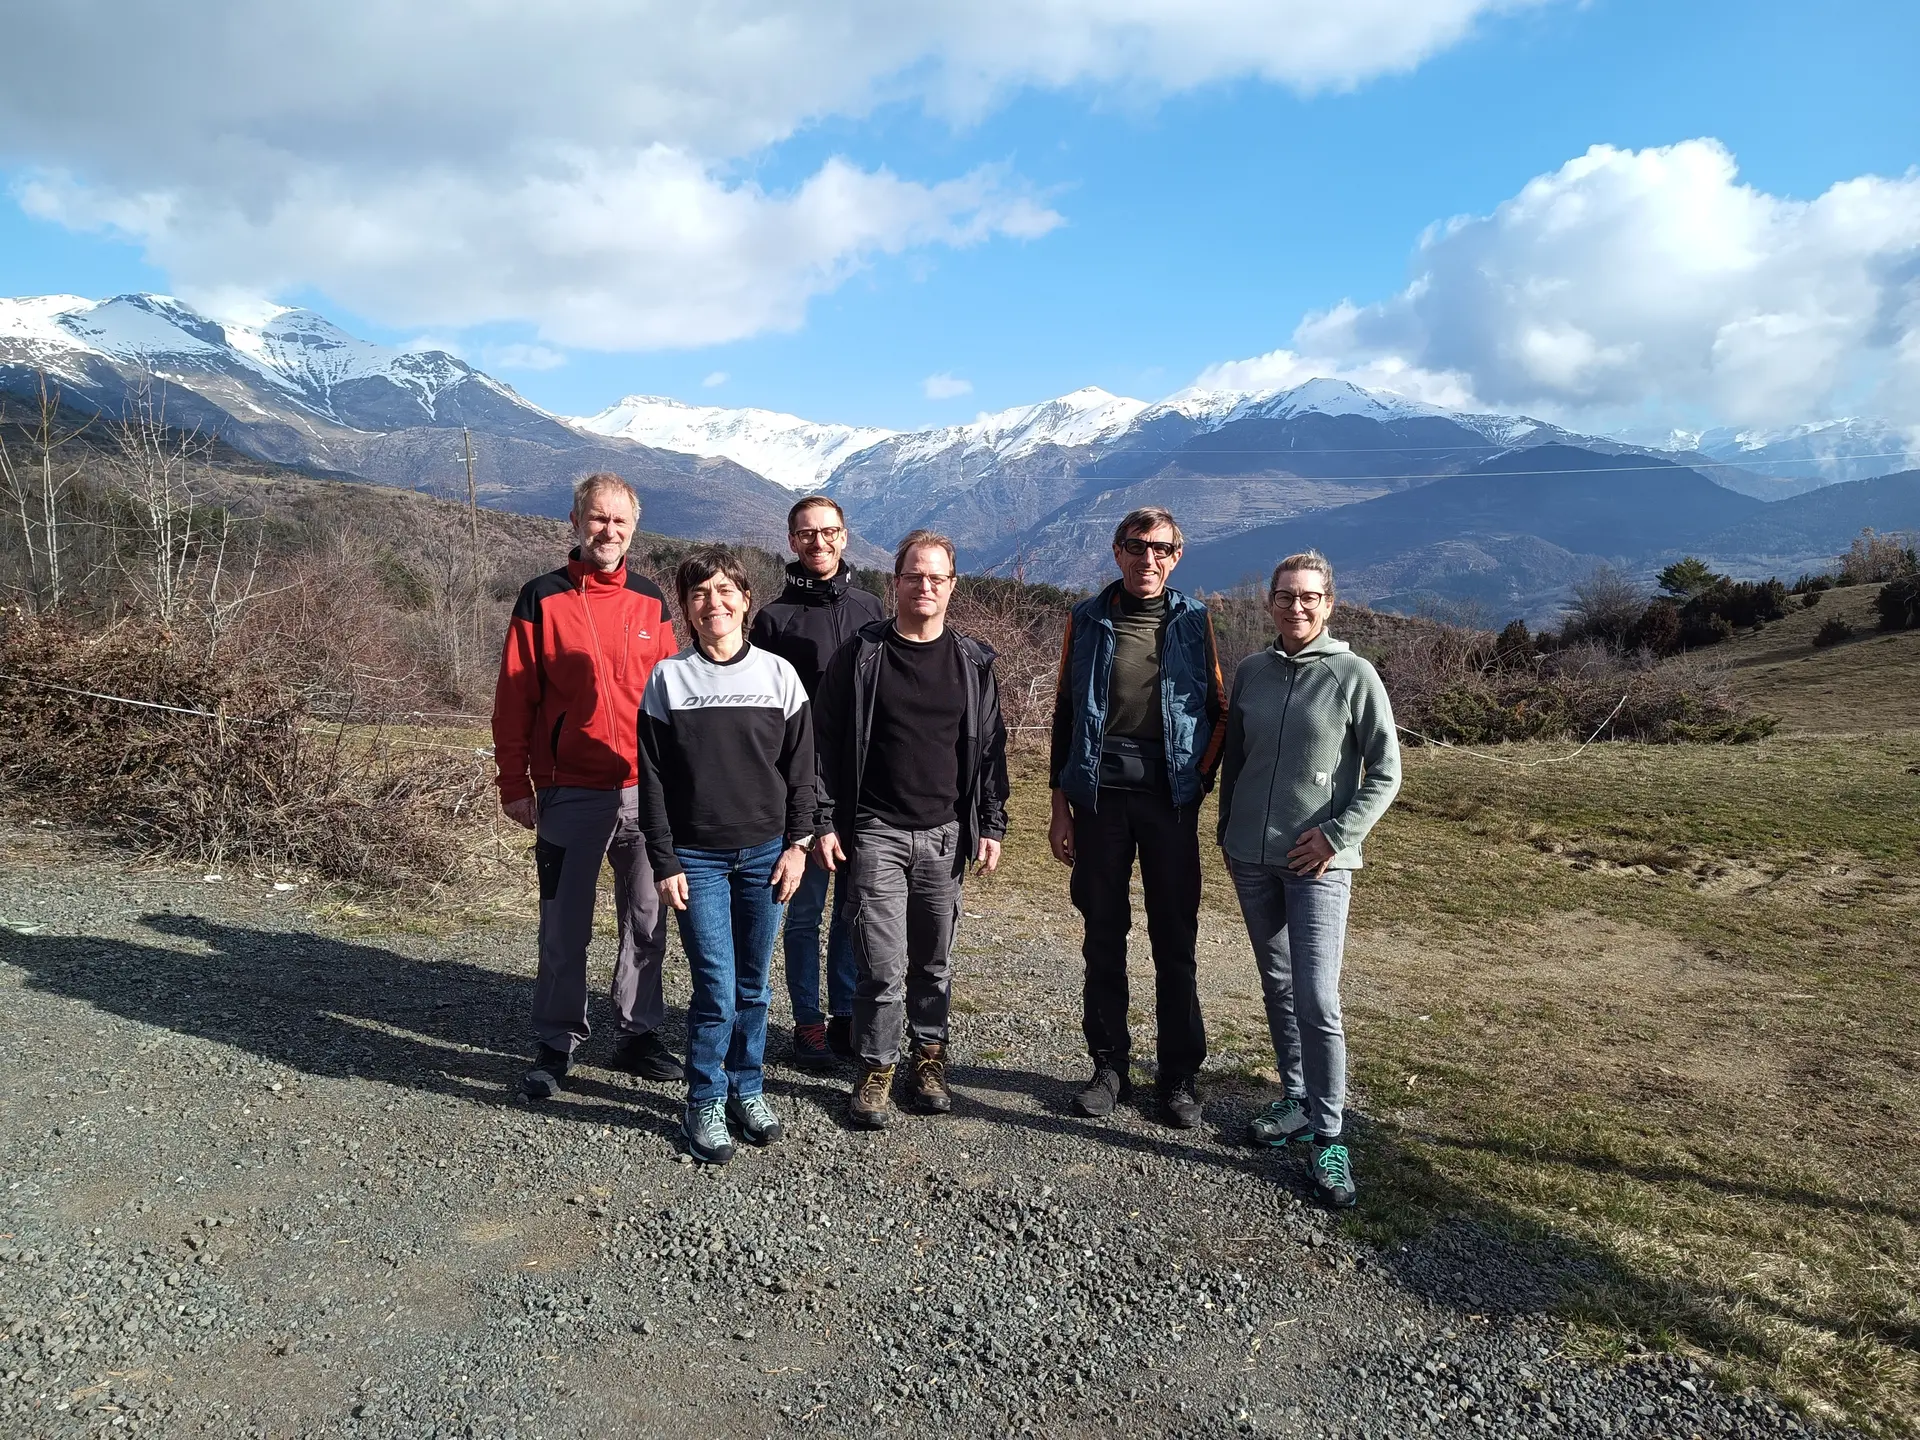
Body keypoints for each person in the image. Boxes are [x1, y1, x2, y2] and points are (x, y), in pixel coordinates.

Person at [1217, 550, 1401, 1209]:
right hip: (1251, 857)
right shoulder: (1251, 673)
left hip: (1320, 862)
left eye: (1309, 596)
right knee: (1277, 984)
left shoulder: (1355, 676)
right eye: (1285, 595)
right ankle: (1296, 1098)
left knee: (1317, 998)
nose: (1296, 606)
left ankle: (1329, 1135)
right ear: (1269, 602)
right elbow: (1235, 761)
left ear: (1329, 603)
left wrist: (1337, 835)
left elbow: (1386, 773)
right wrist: (1227, 830)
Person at [492, 472, 683, 1101]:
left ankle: (637, 1032)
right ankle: (556, 1039)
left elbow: (676, 698)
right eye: (598, 519)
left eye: (620, 521)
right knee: (563, 924)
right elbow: (515, 697)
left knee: (647, 919)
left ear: (635, 527)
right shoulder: (541, 598)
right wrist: (513, 780)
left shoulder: (652, 601)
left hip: (645, 794)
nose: (609, 531)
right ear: (575, 522)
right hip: (570, 789)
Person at [814, 529, 1009, 1130]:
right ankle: (875, 1066)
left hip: (947, 832)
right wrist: (823, 820)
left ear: (952, 585)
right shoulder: (862, 654)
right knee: (880, 961)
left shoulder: (974, 662)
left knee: (935, 961)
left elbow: (990, 753)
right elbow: (822, 745)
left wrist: (991, 822)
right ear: (893, 583)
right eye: (912, 575)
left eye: (936, 577)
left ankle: (928, 1058)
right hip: (876, 830)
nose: (924, 586)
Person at [635, 547, 816, 1165]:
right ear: (686, 607)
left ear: (745, 599)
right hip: (697, 859)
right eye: (698, 594)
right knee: (716, 986)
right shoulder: (667, 679)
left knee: (755, 985)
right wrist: (664, 860)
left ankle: (748, 1087)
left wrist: (798, 846)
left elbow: (802, 774)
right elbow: (652, 781)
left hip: (767, 855)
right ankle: (705, 1096)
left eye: (723, 591)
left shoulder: (779, 676)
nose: (713, 604)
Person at [1048, 506, 1227, 1129]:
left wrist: (1200, 779)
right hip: (1099, 799)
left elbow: (1218, 707)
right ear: (1116, 551)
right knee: (1103, 935)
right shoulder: (1086, 619)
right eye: (1135, 546)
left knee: (1174, 942)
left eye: (1160, 549)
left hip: (1170, 801)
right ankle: (1109, 1067)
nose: (1147, 559)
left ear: (1177, 555)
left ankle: (1178, 1078)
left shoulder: (1195, 621)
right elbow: (1066, 713)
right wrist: (1059, 805)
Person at [747, 496, 884, 1065]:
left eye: (829, 532)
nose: (818, 543)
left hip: (864, 788)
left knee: (853, 912)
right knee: (803, 913)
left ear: (845, 537)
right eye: (807, 534)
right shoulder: (773, 620)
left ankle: (848, 1015)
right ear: (791, 540)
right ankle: (809, 1021)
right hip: (797, 786)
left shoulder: (874, 609)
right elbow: (762, 712)